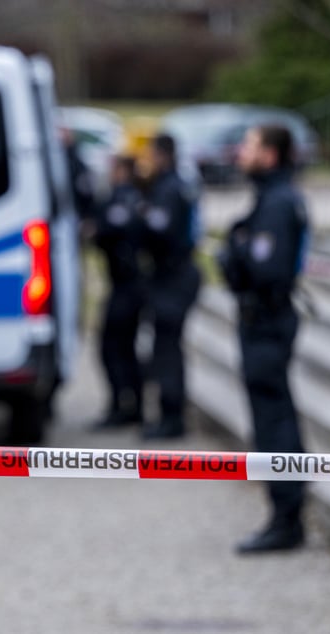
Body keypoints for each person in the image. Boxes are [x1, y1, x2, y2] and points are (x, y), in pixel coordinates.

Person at [217, 124, 309, 554]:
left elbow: (264, 268)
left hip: (267, 322)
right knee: (272, 416)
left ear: (270, 155)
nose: (242, 153)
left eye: (250, 146)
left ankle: (286, 518)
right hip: (265, 320)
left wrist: (234, 251)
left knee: (274, 422)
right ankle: (283, 514)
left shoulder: (277, 202)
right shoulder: (272, 197)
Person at [139, 134, 201, 440]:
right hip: (171, 276)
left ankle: (172, 417)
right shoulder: (173, 185)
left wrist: (140, 217)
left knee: (167, 350)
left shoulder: (169, 188)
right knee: (165, 348)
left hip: (173, 278)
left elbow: (160, 231)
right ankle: (169, 415)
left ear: (162, 154)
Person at [89, 156, 145, 430]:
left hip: (128, 285)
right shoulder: (129, 197)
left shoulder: (125, 199)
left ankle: (124, 406)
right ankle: (130, 404)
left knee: (112, 347)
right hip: (125, 284)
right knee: (123, 347)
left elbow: (108, 228)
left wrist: (95, 230)